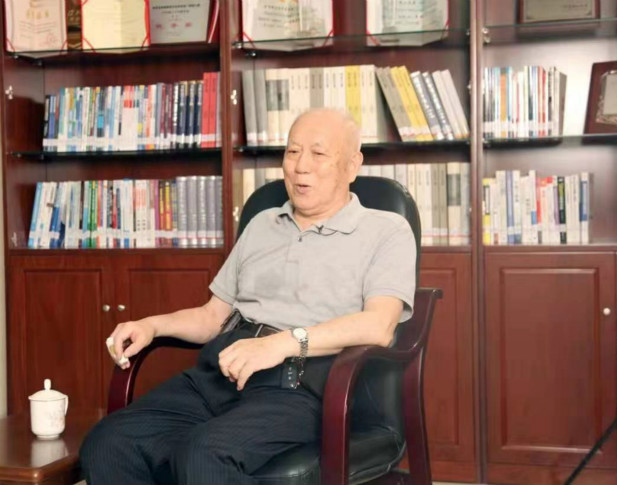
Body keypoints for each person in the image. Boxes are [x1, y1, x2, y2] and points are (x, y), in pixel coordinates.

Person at [80, 108, 417, 485]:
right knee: (107, 443)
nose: (300, 166)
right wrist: (151, 326)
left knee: (202, 456)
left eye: (318, 154)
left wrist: (281, 343)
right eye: (292, 152)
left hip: (298, 387)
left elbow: (379, 326)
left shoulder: (386, 230)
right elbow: (212, 316)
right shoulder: (262, 224)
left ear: (352, 165)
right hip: (220, 373)